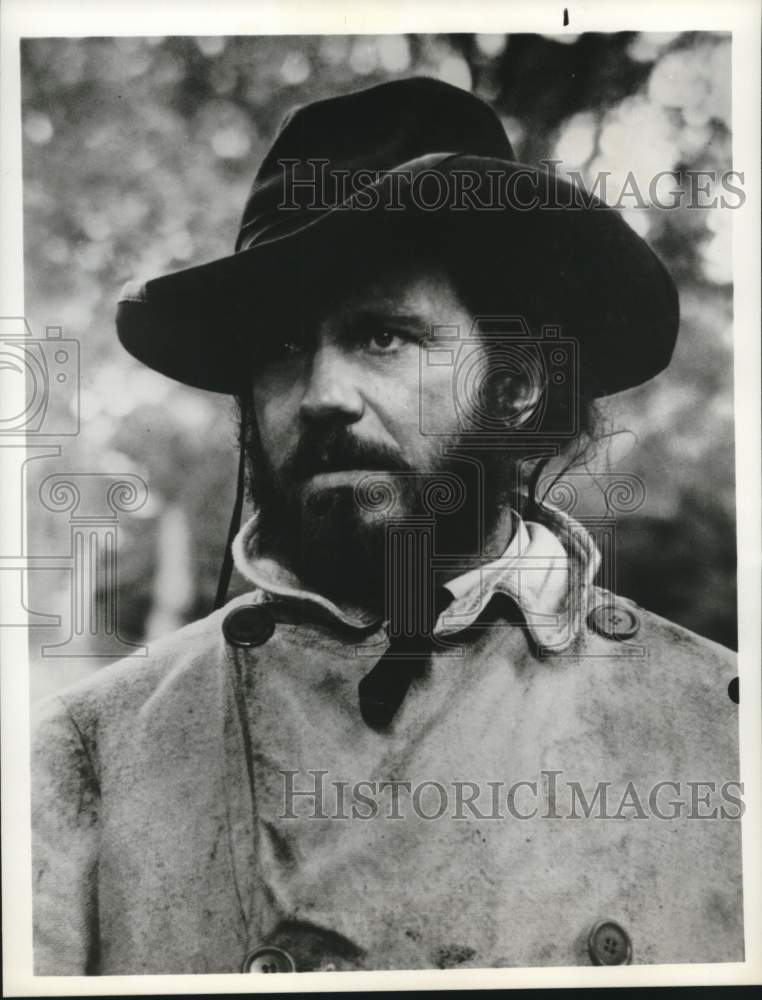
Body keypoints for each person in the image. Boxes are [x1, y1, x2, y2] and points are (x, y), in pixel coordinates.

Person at [32, 77, 743, 975]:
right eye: (285, 347)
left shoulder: (721, 726)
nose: (322, 395)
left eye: (383, 337)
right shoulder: (93, 752)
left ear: (517, 388)